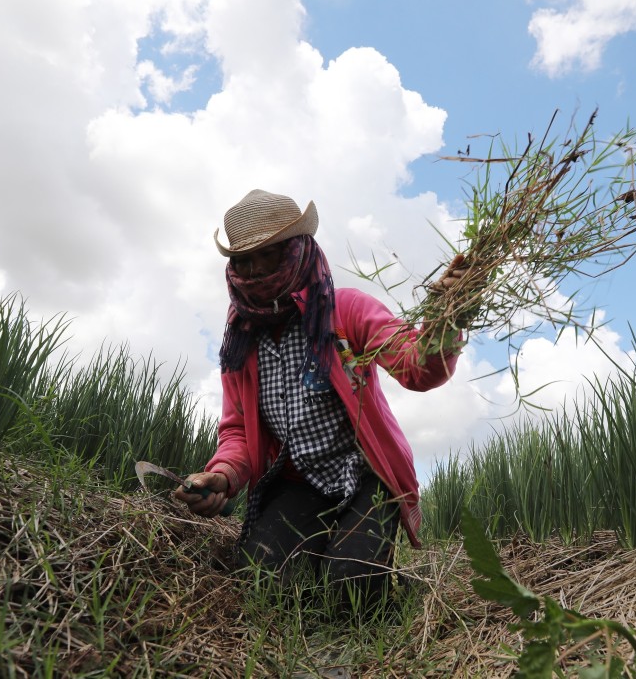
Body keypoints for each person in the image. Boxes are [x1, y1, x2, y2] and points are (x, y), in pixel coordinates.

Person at [175, 188, 468, 609]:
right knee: (261, 581)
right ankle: (323, 556)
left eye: (267, 255)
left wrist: (447, 318)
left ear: (296, 251)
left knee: (349, 587)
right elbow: (237, 430)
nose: (254, 271)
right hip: (300, 482)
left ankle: (379, 577)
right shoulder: (241, 342)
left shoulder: (344, 311)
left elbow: (417, 368)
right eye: (242, 260)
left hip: (366, 476)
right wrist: (220, 476)